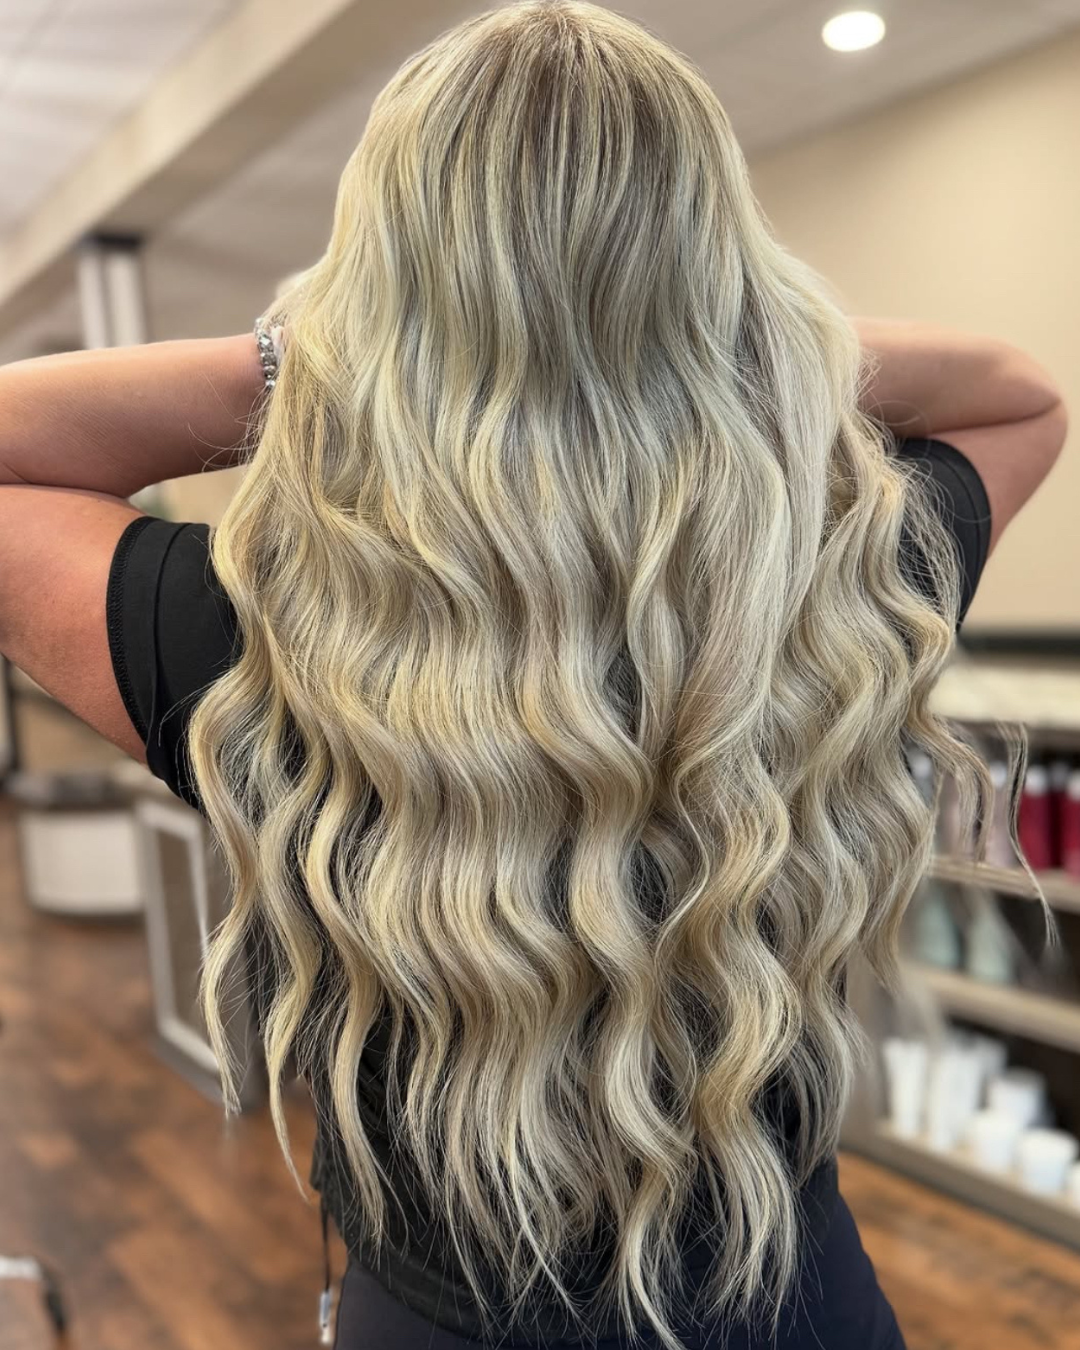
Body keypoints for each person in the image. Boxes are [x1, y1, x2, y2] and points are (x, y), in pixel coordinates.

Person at [0, 3, 1068, 1348]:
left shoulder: (261, 630)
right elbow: (1019, 394)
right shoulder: (834, 581)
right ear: (719, 262)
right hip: (793, 1301)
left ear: (385, 280)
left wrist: (312, 359)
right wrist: (730, 344)